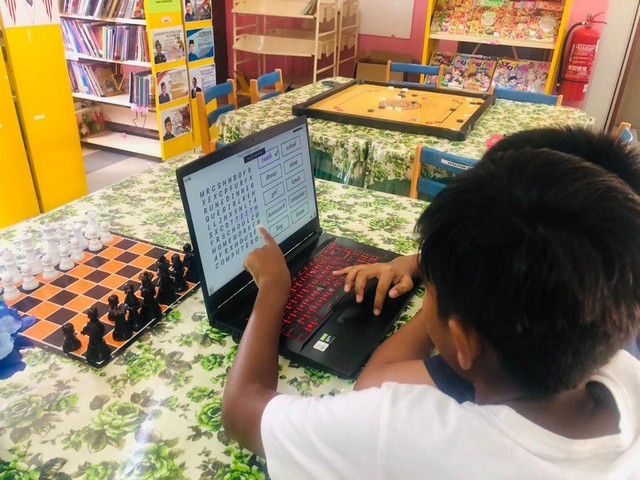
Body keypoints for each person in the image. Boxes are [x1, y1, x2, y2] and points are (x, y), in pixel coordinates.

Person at [221, 129, 640, 478]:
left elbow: (242, 410)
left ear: (464, 340)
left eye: (431, 290)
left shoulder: (406, 429)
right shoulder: (621, 365)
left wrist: (274, 287)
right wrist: (450, 280)